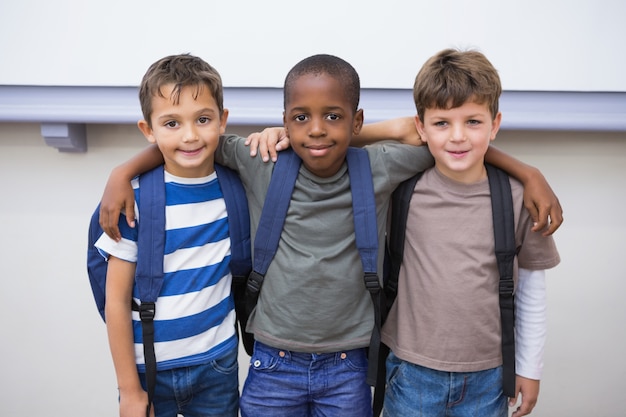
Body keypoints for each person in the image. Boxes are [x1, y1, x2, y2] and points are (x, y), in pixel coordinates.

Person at [98, 54, 563, 417]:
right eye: (300, 118)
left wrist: (527, 171)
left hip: (349, 366)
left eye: (334, 118)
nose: (316, 129)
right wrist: (124, 171)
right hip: (272, 363)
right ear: (283, 119)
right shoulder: (263, 160)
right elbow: (188, 145)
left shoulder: (380, 165)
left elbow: (446, 143)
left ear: (356, 121)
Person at [379, 48, 561, 417]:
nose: (458, 136)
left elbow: (531, 291)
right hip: (411, 372)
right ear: (420, 127)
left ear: (495, 124)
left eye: (473, 122)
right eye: (441, 123)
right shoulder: (400, 188)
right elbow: (330, 143)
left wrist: (529, 368)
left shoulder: (518, 199)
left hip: (488, 377)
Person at [94, 54, 240, 417]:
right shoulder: (136, 200)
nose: (190, 135)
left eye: (203, 120)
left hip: (217, 366)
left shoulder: (237, 187)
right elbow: (116, 300)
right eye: (171, 123)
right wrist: (129, 390)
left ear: (222, 121)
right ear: (148, 130)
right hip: (149, 371)